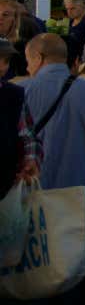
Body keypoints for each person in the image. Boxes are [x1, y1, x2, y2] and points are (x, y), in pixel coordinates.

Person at [21, 33, 85, 199]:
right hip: (77, 189)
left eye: (28, 61)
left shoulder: (20, 91)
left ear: (38, 57)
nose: (27, 68)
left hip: (31, 187)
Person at [0, 39, 35, 203]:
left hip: (6, 179)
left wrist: (29, 160)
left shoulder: (15, 94)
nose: (2, 66)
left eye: (5, 61)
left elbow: (26, 134)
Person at [63, 0, 85, 64]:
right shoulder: (71, 21)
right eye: (67, 9)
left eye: (72, 8)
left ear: (81, 7)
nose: (69, 12)